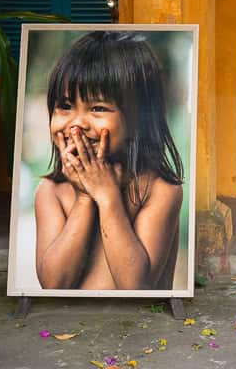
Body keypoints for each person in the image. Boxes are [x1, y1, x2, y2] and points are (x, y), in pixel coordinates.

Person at [34, 31, 184, 291]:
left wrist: (106, 196)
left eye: (98, 108)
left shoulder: (159, 190)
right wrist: (84, 197)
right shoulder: (51, 192)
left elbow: (135, 287)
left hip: (136, 326)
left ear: (139, 119)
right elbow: (53, 284)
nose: (77, 124)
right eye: (66, 106)